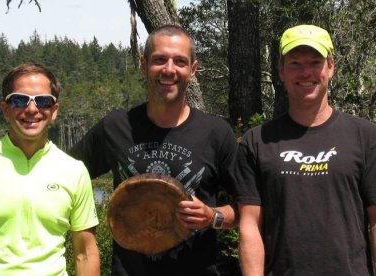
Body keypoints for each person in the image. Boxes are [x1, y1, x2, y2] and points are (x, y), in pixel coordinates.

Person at [68, 24, 240, 275]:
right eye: (159, 60)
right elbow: (60, 173)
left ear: (192, 69)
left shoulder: (216, 132)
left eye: (179, 61)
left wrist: (211, 216)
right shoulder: (116, 127)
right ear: (143, 64)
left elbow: (248, 209)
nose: (169, 70)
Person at [237, 24, 376, 275]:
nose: (306, 72)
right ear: (281, 70)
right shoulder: (257, 141)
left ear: (330, 67)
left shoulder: (365, 136)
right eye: (295, 63)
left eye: (315, 62)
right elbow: (249, 226)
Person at [0, 63, 100, 275]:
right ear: (5, 109)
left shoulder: (74, 171)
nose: (32, 109)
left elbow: (85, 253)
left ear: (54, 111)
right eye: (20, 99)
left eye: (43, 101)